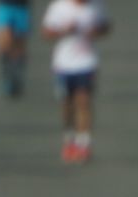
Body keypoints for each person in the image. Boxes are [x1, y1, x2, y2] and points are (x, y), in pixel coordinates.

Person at [41, 0, 109, 163]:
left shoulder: (97, 5)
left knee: (84, 101)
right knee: (67, 104)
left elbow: (106, 27)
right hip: (63, 65)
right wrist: (64, 31)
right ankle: (69, 139)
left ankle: (84, 143)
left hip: (87, 62)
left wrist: (96, 31)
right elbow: (46, 33)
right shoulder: (58, 7)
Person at [0, 0, 33, 92]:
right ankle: (6, 76)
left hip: (21, 7)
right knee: (4, 43)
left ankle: (17, 75)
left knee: (19, 46)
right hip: (3, 6)